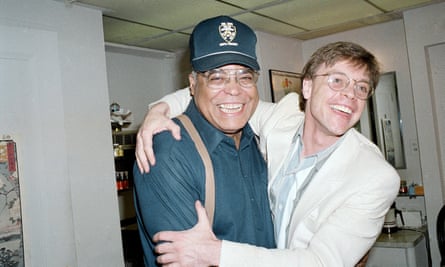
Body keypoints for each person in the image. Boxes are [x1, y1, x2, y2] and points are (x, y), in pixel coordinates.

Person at [136, 41, 400, 266]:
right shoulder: (281, 119)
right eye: (337, 81)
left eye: (361, 88)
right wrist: (158, 111)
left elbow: (321, 262)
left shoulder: (375, 176)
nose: (349, 96)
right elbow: (225, 96)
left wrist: (214, 252)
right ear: (306, 88)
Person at [132, 15, 276, 266]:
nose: (234, 89)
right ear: (192, 83)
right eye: (217, 77)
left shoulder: (258, 141)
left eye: (245, 77)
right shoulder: (168, 152)